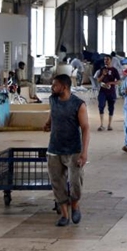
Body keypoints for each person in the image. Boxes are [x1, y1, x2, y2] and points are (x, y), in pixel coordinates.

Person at [43, 74, 90, 227]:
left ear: (64, 87)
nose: (52, 88)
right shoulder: (53, 100)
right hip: (54, 149)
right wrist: (48, 123)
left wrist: (84, 153)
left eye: (54, 85)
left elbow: (85, 128)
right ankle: (64, 215)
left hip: (73, 150)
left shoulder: (78, 104)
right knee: (57, 182)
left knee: (76, 182)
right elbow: (53, 113)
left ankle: (75, 205)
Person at [95, 54, 121, 131]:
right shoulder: (101, 70)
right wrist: (103, 75)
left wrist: (111, 83)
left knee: (111, 107)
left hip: (111, 92)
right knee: (101, 106)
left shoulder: (114, 70)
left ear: (111, 60)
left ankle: (109, 125)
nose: (106, 61)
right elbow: (98, 80)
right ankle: (101, 124)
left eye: (107, 59)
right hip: (102, 91)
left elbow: (119, 82)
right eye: (104, 60)